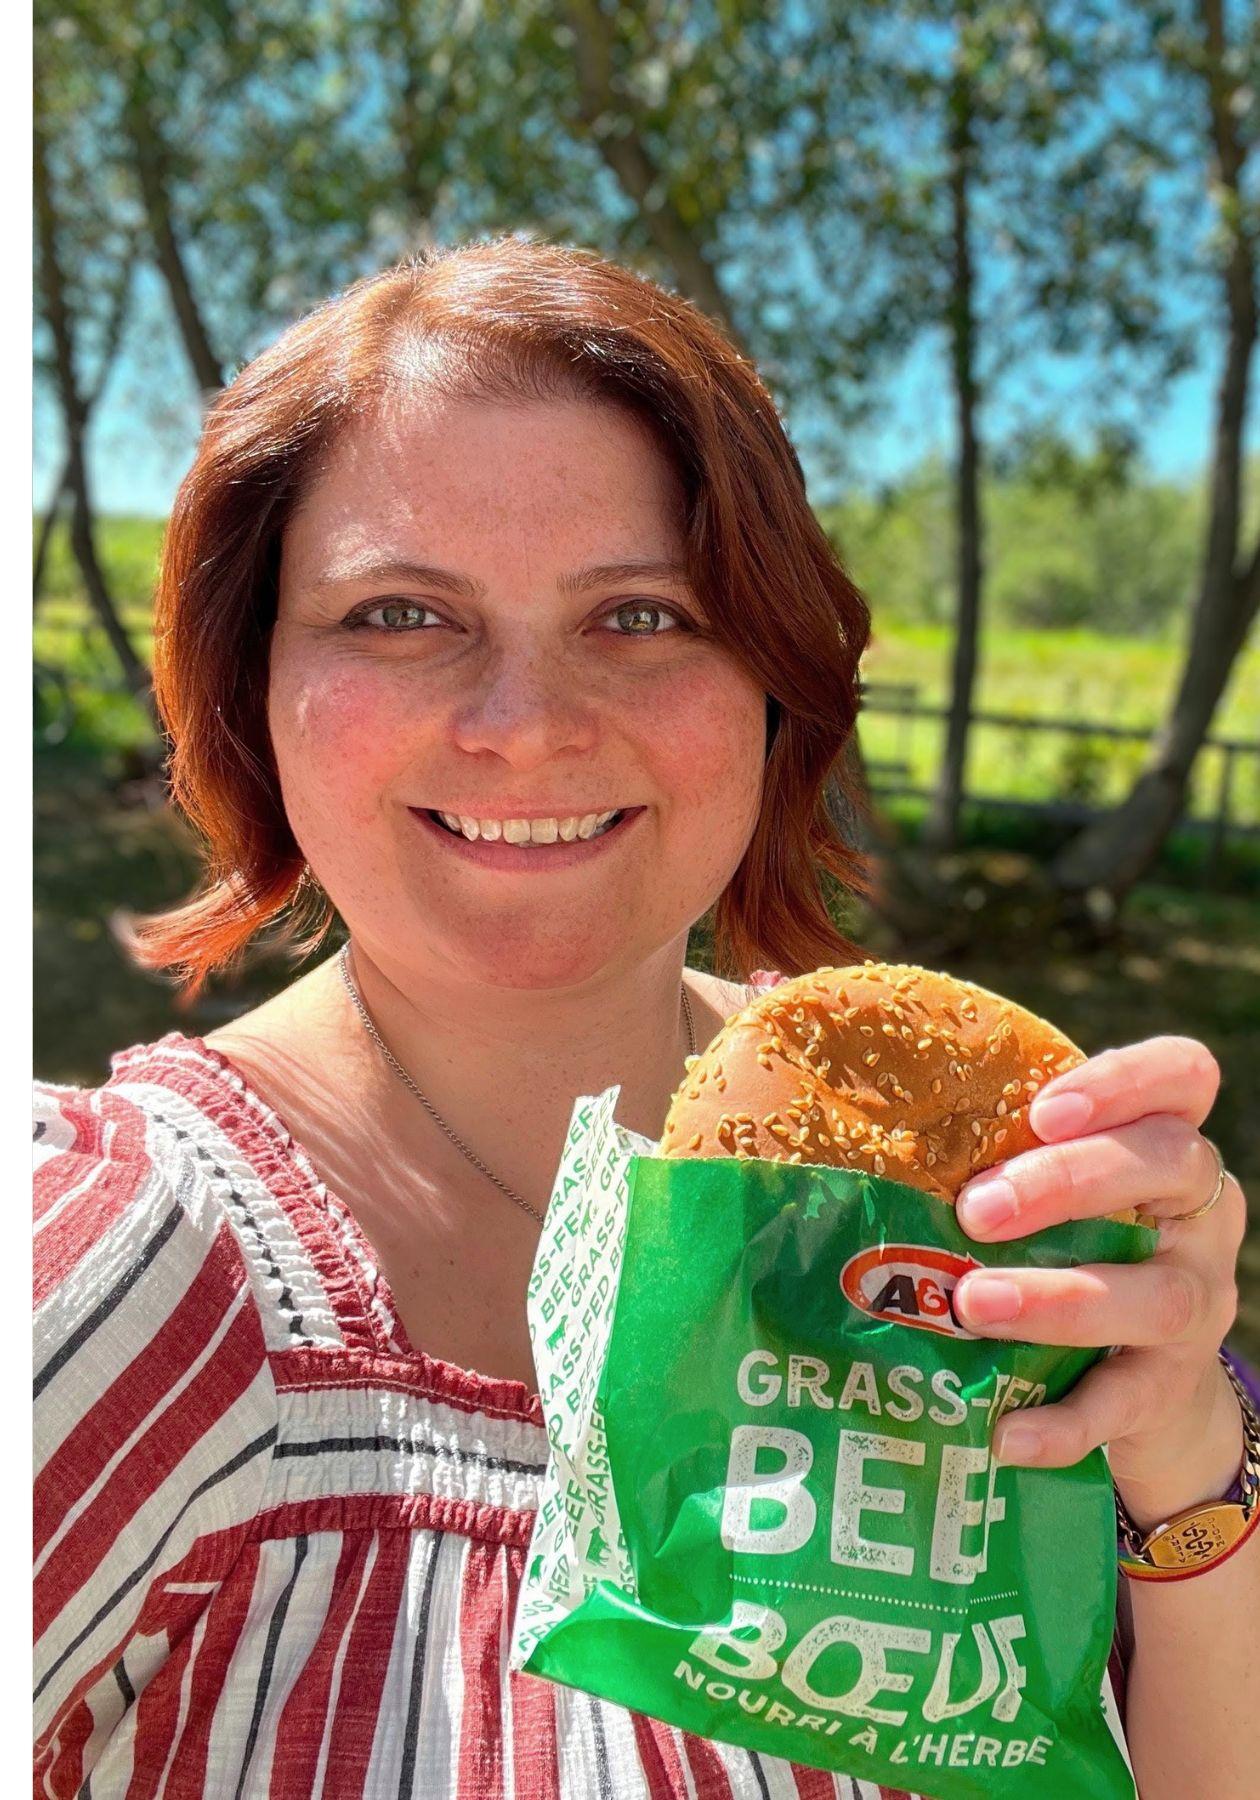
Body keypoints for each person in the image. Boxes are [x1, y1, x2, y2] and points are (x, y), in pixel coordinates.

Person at [34, 237, 1257, 1799]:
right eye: (401, 615)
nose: (525, 725)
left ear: (773, 677)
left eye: (645, 615)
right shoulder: (102, 1272)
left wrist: (1183, 1465)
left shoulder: (934, 1179)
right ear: (251, 687)